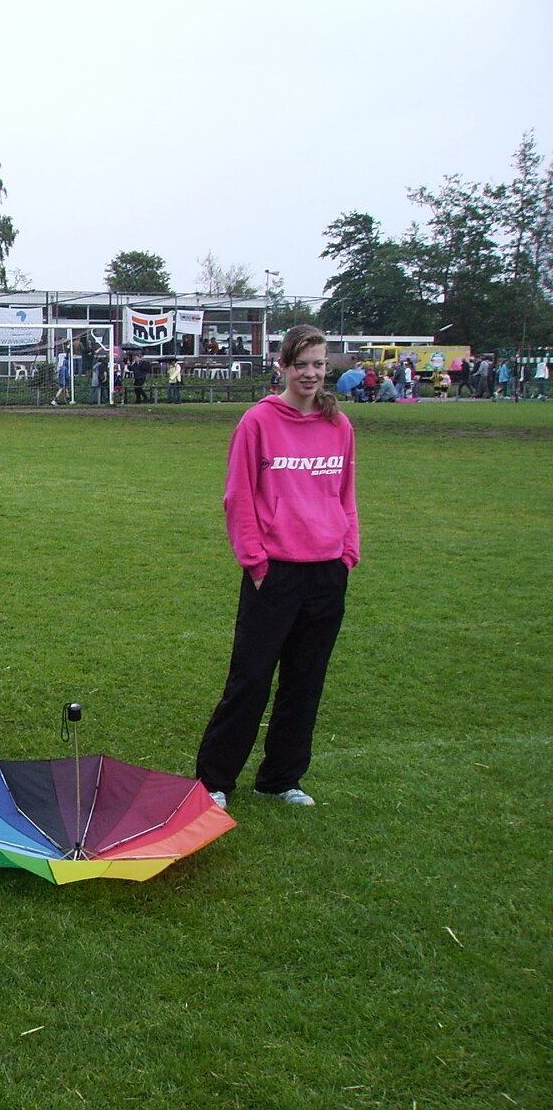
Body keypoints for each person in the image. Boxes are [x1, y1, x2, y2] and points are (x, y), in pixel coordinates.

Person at [196, 324, 359, 811]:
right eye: (301, 364)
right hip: (274, 572)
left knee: (305, 680)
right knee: (250, 679)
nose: (311, 373)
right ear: (283, 366)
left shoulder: (339, 425)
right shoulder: (258, 422)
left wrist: (347, 552)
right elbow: (238, 497)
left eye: (318, 364)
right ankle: (214, 780)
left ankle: (281, 778)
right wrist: (256, 562)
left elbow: (345, 495)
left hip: (327, 570)